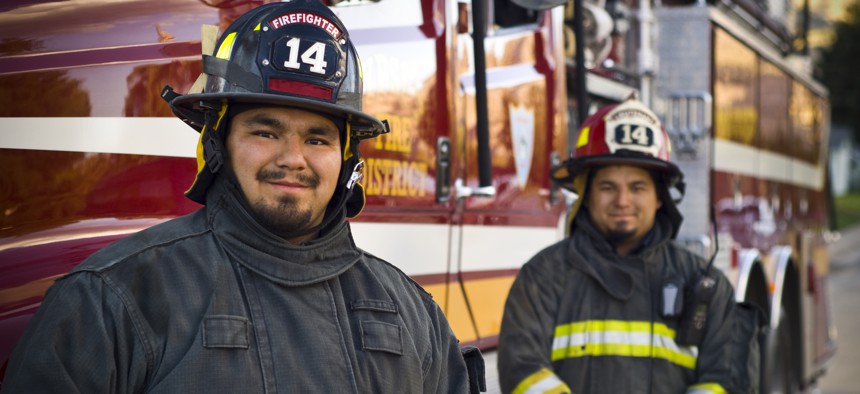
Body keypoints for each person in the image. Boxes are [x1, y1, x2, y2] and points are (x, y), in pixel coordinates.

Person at [2, 1, 473, 392]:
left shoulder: (415, 317)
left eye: (317, 139)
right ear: (218, 144)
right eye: (265, 131)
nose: (293, 158)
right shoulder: (111, 300)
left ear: (346, 158)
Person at [497, 98, 741, 394]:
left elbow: (726, 380)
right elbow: (524, 371)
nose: (622, 201)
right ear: (586, 195)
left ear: (659, 197)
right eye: (607, 187)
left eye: (637, 187)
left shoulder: (706, 286)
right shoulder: (541, 278)